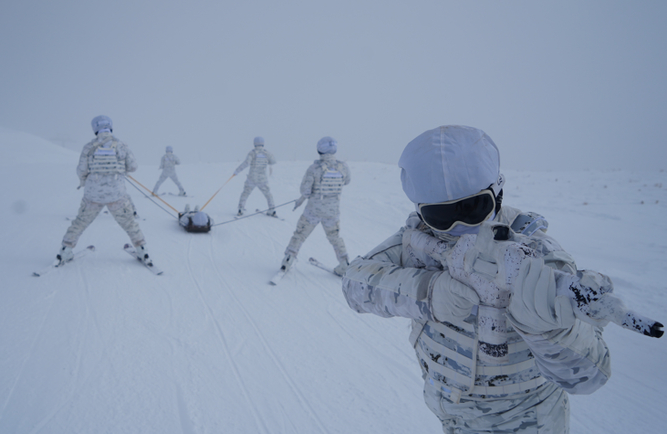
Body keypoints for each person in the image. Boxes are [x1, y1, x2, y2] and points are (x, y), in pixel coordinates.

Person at [341, 126, 610, 433]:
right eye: (441, 215)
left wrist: (550, 328)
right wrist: (427, 292)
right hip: (452, 415)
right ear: (420, 210)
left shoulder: (539, 255)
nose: (457, 227)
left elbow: (590, 377)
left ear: (497, 192)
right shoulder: (419, 240)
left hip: (525, 422)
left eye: (471, 208)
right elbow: (354, 285)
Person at [58, 115, 154, 266]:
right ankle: (143, 251)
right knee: (129, 223)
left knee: (80, 222)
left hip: (92, 194)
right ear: (110, 126)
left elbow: (81, 170)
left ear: (95, 129)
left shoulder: (89, 147)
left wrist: (84, 181)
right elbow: (134, 166)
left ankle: (64, 252)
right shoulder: (121, 145)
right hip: (117, 194)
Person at [280, 137, 351, 275]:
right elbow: (347, 181)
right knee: (335, 237)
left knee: (300, 235)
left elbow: (305, 191)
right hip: (332, 211)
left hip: (313, 211)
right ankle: (344, 264)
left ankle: (287, 261)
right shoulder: (343, 167)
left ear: (319, 150)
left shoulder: (314, 168)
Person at [234, 136, 277, 216]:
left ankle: (240, 209)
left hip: (252, 178)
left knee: (245, 193)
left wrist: (237, 171)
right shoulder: (267, 153)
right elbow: (273, 161)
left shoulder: (252, 153)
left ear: (254, 144)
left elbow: (247, 163)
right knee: (267, 194)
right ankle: (272, 209)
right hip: (262, 179)